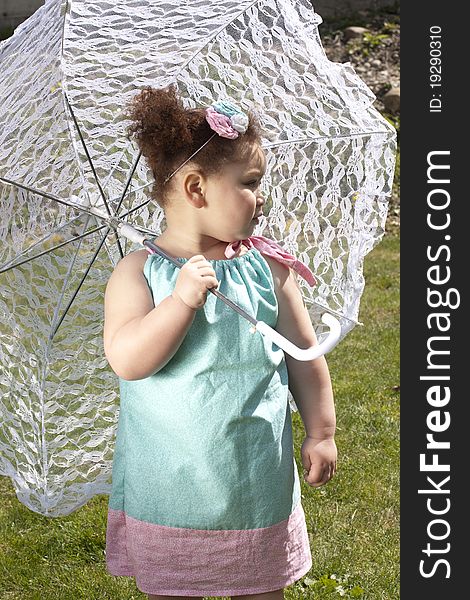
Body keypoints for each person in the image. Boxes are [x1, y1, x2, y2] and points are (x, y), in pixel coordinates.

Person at [103, 83, 337, 600]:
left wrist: (321, 430)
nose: (261, 197)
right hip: (171, 482)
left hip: (254, 476)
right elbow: (128, 360)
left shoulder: (269, 269)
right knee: (174, 587)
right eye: (250, 183)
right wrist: (180, 302)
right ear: (196, 189)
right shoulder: (138, 273)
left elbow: (304, 355)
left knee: (261, 589)